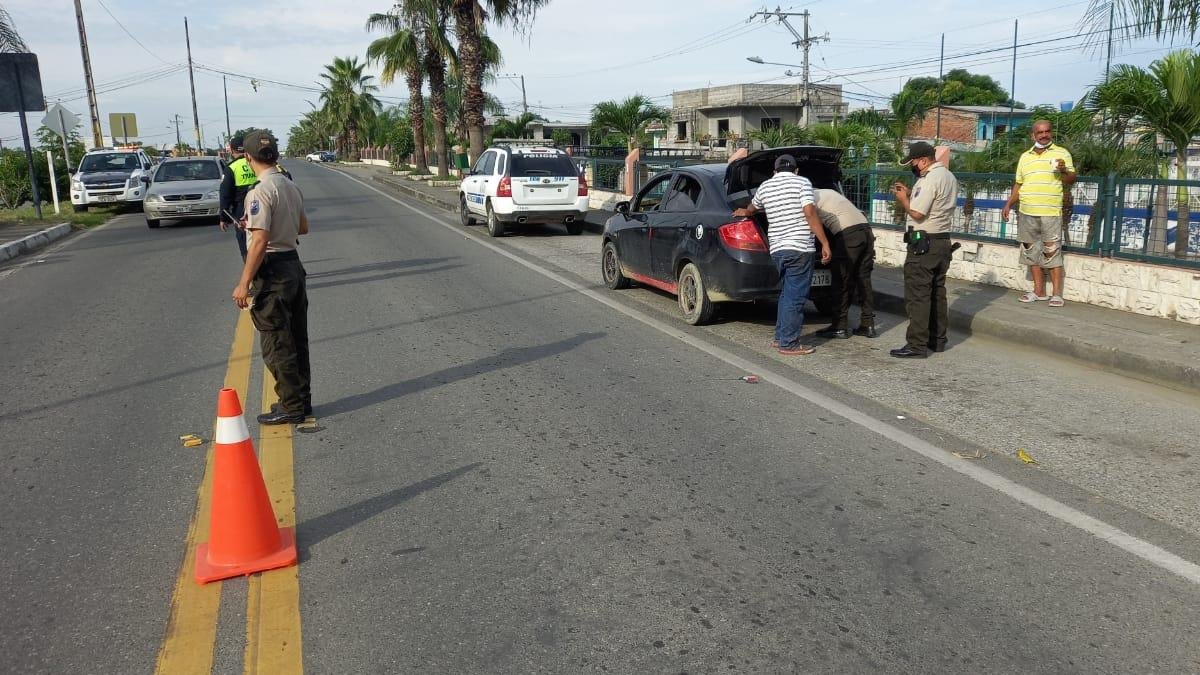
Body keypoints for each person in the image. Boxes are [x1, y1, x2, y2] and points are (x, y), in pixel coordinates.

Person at [231, 131, 313, 424]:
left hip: (273, 271)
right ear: (276, 156)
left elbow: (262, 239)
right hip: (293, 266)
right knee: (297, 338)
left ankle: (291, 406)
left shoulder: (259, 192)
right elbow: (303, 228)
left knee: (277, 343)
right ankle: (302, 401)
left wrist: (243, 283)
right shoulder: (290, 186)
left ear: (248, 158)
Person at [733, 154, 832, 355]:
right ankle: (789, 343)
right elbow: (809, 211)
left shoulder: (765, 186)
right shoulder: (802, 182)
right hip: (799, 248)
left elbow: (753, 208)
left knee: (787, 294)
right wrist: (825, 242)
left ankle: (780, 337)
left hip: (777, 249)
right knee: (795, 297)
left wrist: (745, 212)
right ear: (796, 170)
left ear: (775, 171)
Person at [889, 141, 959, 359]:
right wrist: (912, 194)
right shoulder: (949, 176)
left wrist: (904, 200)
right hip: (942, 241)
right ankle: (937, 340)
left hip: (923, 243)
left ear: (923, 160)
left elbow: (918, 213)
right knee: (937, 294)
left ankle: (916, 345)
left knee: (918, 295)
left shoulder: (929, 179)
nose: (913, 166)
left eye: (913, 162)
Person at [1001, 119, 1075, 307]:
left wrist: (1064, 169)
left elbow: (1072, 179)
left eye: (1047, 131)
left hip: (1050, 211)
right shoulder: (1025, 157)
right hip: (1026, 211)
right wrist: (1009, 204)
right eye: (1040, 132)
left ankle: (1057, 294)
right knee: (1030, 252)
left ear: (1051, 133)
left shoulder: (1061, 154)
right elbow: (1019, 183)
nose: (1044, 135)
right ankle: (1039, 291)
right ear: (1033, 135)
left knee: (1052, 251)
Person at [813, 188, 877, 339]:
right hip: (866, 231)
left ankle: (839, 327)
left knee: (842, 280)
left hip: (848, 234)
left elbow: (811, 219)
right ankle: (867, 325)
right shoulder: (827, 191)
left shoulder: (807, 196)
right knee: (863, 280)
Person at [219, 134, 259, 260]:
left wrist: (223, 217)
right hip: (262, 203)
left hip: (241, 210)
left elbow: (225, 194)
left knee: (244, 239)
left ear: (231, 150)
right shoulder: (256, 162)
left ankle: (251, 271)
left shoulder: (231, 168)